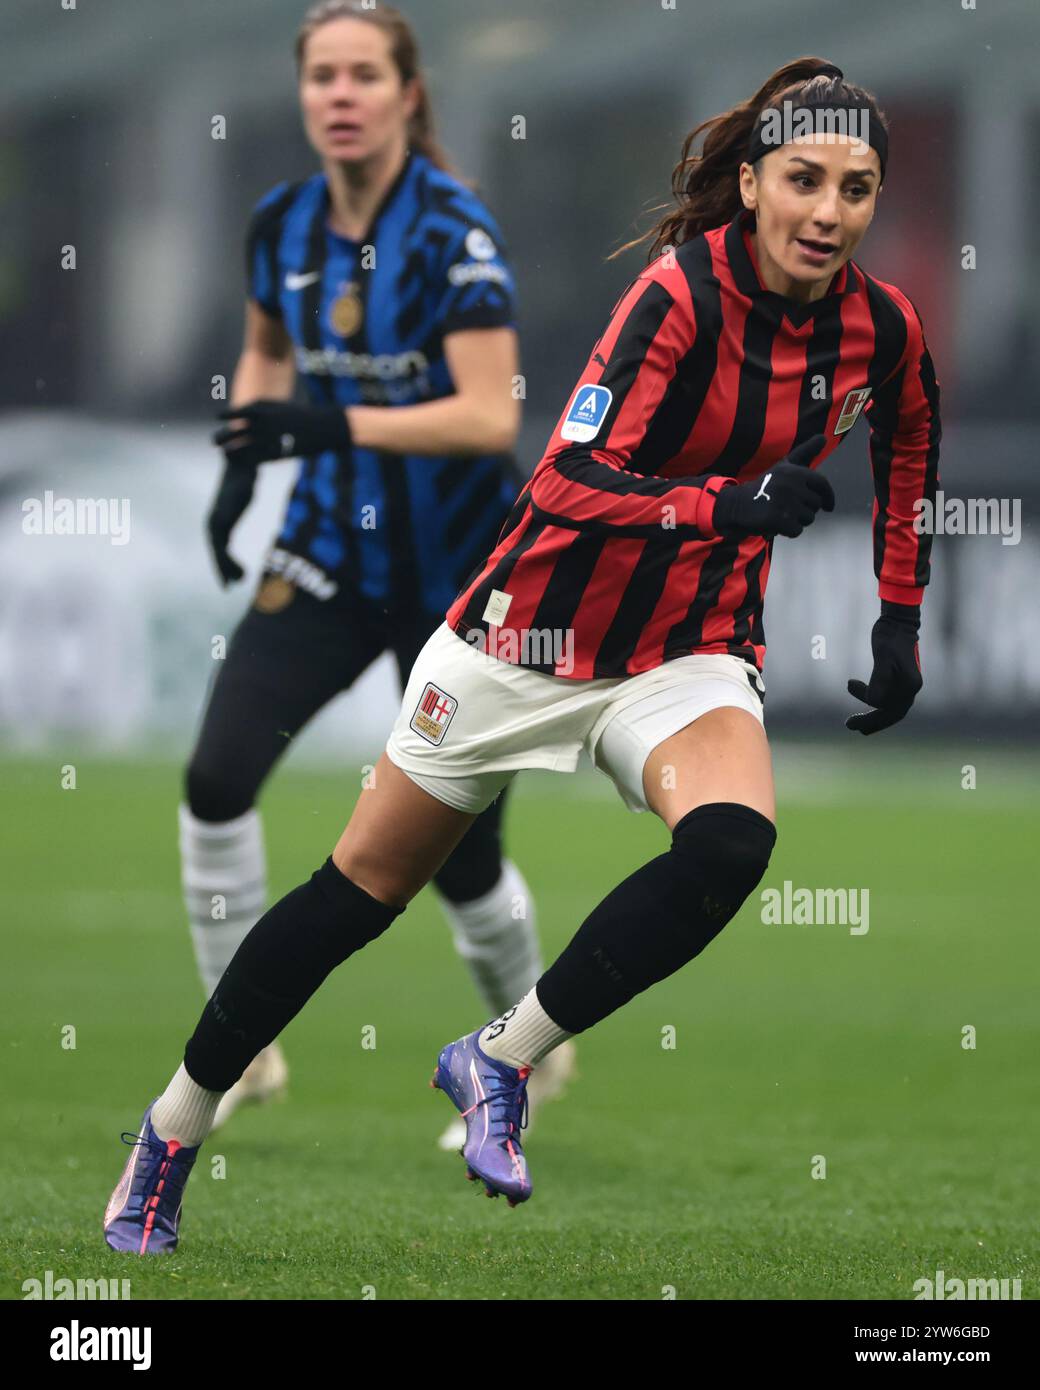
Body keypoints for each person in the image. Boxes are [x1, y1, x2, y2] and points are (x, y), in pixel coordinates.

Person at [105, 57, 940, 1249]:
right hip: (525, 633)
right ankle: (172, 1129)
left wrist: (897, 612)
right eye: (802, 179)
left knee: (730, 843)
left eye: (854, 189)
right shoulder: (675, 298)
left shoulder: (883, 324)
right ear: (749, 183)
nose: (827, 212)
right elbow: (560, 478)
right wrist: (723, 505)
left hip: (684, 650)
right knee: (358, 895)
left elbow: (910, 444)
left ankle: (499, 1056)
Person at [177, 0, 573, 1150]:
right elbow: (264, 346)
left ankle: (525, 1060)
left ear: (407, 94)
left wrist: (321, 421)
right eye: (322, 76)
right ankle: (241, 1047)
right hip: (327, 548)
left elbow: (488, 413)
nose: (339, 95)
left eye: (363, 75)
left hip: (462, 574)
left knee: (462, 860)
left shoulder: (452, 228)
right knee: (216, 774)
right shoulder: (280, 224)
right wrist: (245, 468)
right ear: (302, 94)